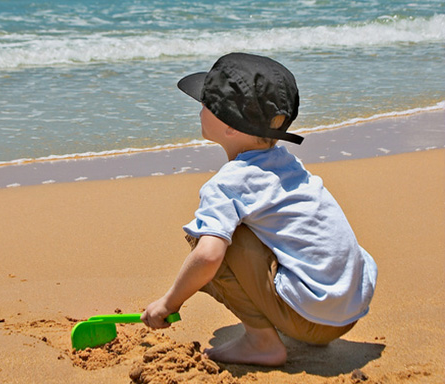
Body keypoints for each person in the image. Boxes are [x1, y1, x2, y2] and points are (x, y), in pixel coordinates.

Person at [140, 53, 377, 366]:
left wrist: (168, 303)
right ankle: (298, 311)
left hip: (315, 321)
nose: (199, 108)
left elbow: (209, 256)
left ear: (228, 126)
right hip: (349, 311)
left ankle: (261, 342)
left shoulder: (228, 184)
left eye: (206, 103)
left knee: (208, 238)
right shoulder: (288, 164)